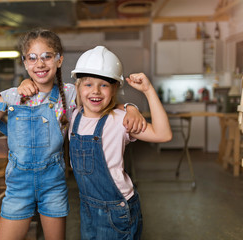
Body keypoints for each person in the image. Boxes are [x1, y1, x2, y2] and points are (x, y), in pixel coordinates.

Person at [0, 29, 146, 240]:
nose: (40, 64)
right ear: (25, 62)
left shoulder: (69, 93)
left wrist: (131, 107)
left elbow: (102, 99)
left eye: (47, 56)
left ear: (59, 60)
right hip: (18, 189)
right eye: (32, 58)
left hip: (53, 186)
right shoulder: (11, 96)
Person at [68, 46, 172, 240]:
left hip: (117, 210)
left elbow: (163, 134)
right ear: (78, 88)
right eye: (88, 84)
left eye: (104, 85)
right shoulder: (74, 116)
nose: (95, 91)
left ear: (115, 88)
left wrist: (148, 92)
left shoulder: (120, 120)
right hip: (87, 208)